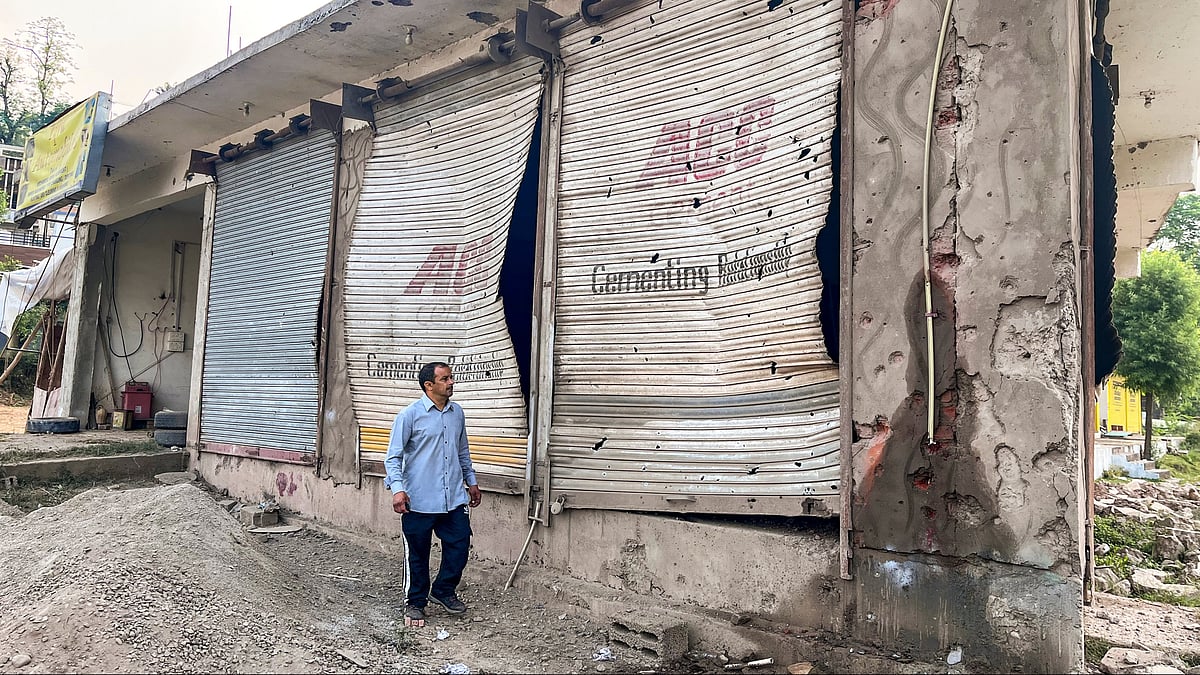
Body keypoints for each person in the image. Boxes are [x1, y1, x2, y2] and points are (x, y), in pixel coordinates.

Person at [385, 361, 482, 628]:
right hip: (418, 500)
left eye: (451, 378)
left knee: (460, 545)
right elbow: (393, 457)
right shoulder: (409, 416)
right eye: (445, 379)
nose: (451, 383)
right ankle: (415, 602)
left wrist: (471, 482)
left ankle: (443, 590)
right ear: (429, 385)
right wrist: (398, 490)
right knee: (417, 553)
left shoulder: (457, 413)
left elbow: (463, 451)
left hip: (453, 498)